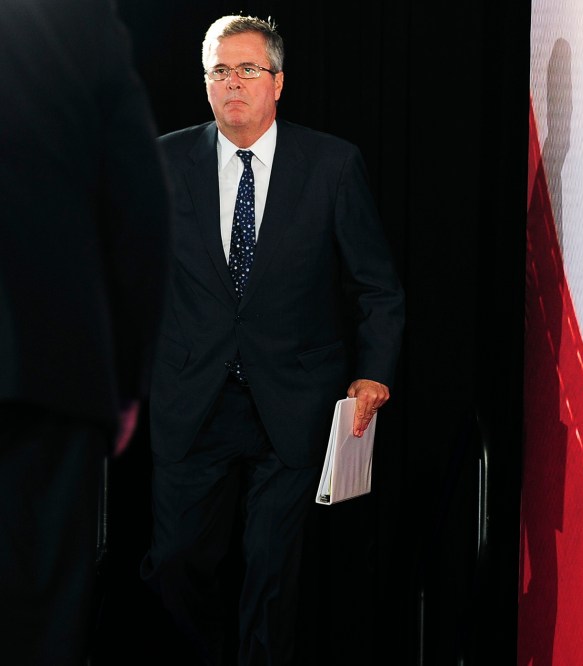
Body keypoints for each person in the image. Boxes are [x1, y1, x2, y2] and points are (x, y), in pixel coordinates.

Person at [139, 15, 405, 665]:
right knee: (172, 565)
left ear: (278, 82)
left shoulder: (333, 165)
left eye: (248, 70)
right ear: (205, 84)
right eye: (220, 71)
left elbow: (377, 285)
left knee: (271, 574)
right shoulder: (163, 161)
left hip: (293, 402)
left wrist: (374, 372)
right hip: (193, 397)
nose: (234, 83)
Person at [0, 0, 171, 663]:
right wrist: (129, 377)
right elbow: (142, 212)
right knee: (42, 623)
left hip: (53, 378)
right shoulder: (78, 25)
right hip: (51, 372)